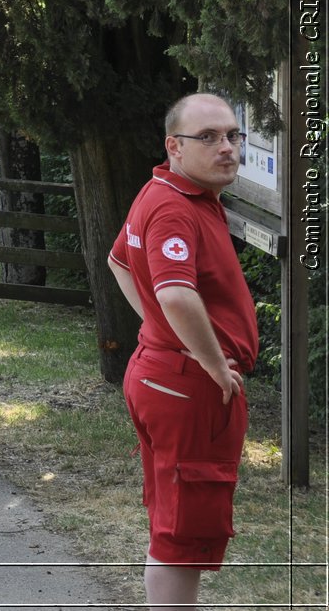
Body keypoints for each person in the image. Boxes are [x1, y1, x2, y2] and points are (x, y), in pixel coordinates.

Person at [107, 94, 257, 611]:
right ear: (174, 145)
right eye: (209, 137)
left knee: (173, 520)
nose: (227, 148)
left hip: (163, 374)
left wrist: (161, 331)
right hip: (188, 386)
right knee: (182, 533)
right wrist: (213, 362)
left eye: (234, 136)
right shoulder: (174, 206)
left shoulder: (167, 193)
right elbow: (174, 292)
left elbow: (120, 261)